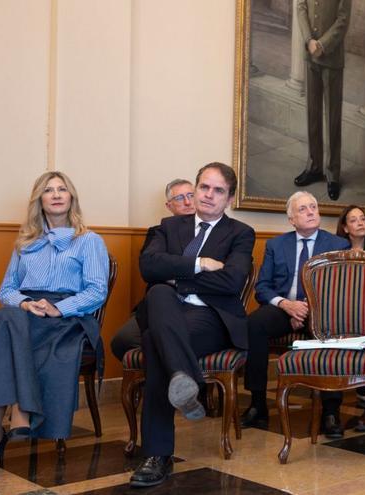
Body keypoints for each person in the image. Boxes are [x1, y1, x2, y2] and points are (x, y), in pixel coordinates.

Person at [0, 172, 109, 471]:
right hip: (25, 314)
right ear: (39, 200)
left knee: (0, 323)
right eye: (48, 190)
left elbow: (97, 291)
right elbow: (6, 290)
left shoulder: (89, 241)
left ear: (71, 197)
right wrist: (25, 303)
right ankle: (19, 411)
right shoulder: (25, 243)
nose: (56, 194)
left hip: (66, 319)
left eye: (62, 189)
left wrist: (58, 308)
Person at [129, 162, 255, 488]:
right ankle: (187, 382)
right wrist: (200, 264)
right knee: (158, 293)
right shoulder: (168, 227)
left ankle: (157, 455)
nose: (209, 195)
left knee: (155, 338)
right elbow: (148, 266)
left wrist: (177, 278)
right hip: (167, 310)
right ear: (196, 188)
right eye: (204, 187)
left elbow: (231, 281)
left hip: (210, 317)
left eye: (218, 190)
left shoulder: (240, 233)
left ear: (229, 199)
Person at [242, 191, 350, 437]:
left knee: (333, 329)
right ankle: (257, 404)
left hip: (322, 311)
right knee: (254, 324)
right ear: (291, 219)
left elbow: (339, 290)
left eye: (314, 207)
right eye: (303, 209)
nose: (311, 212)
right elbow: (263, 288)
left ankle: (331, 411)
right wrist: (287, 306)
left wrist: (306, 310)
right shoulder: (276, 245)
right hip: (284, 308)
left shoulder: (337, 245)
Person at [109, 178, 195, 362]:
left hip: (198, 304)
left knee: (167, 338)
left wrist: (171, 267)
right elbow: (150, 269)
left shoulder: (211, 230)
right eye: (180, 198)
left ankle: (174, 374)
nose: (188, 202)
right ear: (169, 206)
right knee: (122, 341)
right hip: (159, 303)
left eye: (191, 195)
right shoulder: (158, 232)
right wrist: (193, 267)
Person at [293, 0, 352, 201]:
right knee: (313, 113)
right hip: (310, 56)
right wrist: (309, 40)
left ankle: (333, 174)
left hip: (332, 56)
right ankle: (315, 167)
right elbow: (301, 7)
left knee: (332, 119)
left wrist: (322, 44)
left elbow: (343, 19)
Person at [335, 204, 365, 431]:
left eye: (363, 219)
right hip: (344, 309)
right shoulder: (338, 251)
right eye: (354, 220)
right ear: (345, 228)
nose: (360, 223)